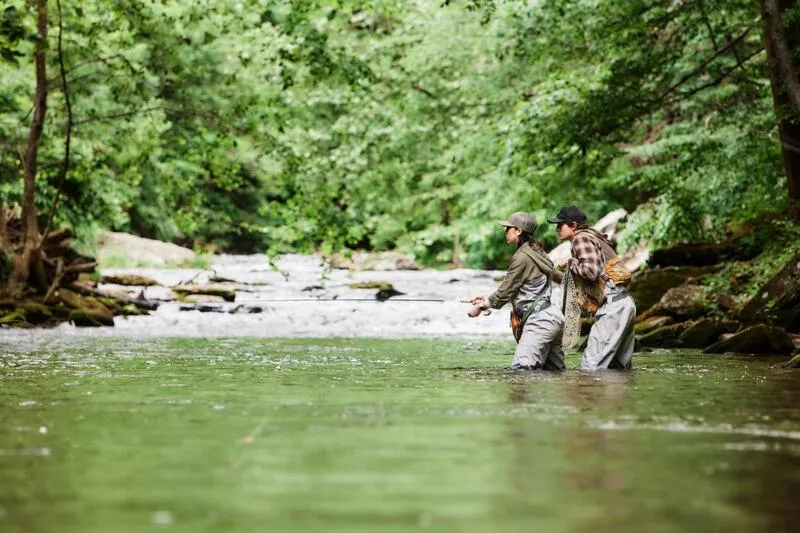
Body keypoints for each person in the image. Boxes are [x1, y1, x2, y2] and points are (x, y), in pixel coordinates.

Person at [467, 212, 565, 371]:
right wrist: (486, 297)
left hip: (540, 322)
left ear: (519, 231)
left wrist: (480, 307)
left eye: (508, 228)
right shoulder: (537, 250)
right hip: (552, 317)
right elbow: (520, 287)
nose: (505, 232)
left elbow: (506, 291)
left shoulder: (522, 257)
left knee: (521, 371)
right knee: (554, 373)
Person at [548, 206, 636, 370]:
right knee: (618, 369)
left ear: (573, 225)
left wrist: (569, 262)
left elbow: (591, 271)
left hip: (613, 308)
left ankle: (591, 396)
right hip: (624, 303)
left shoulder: (580, 238)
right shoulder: (594, 237)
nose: (557, 229)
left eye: (561, 225)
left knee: (590, 368)